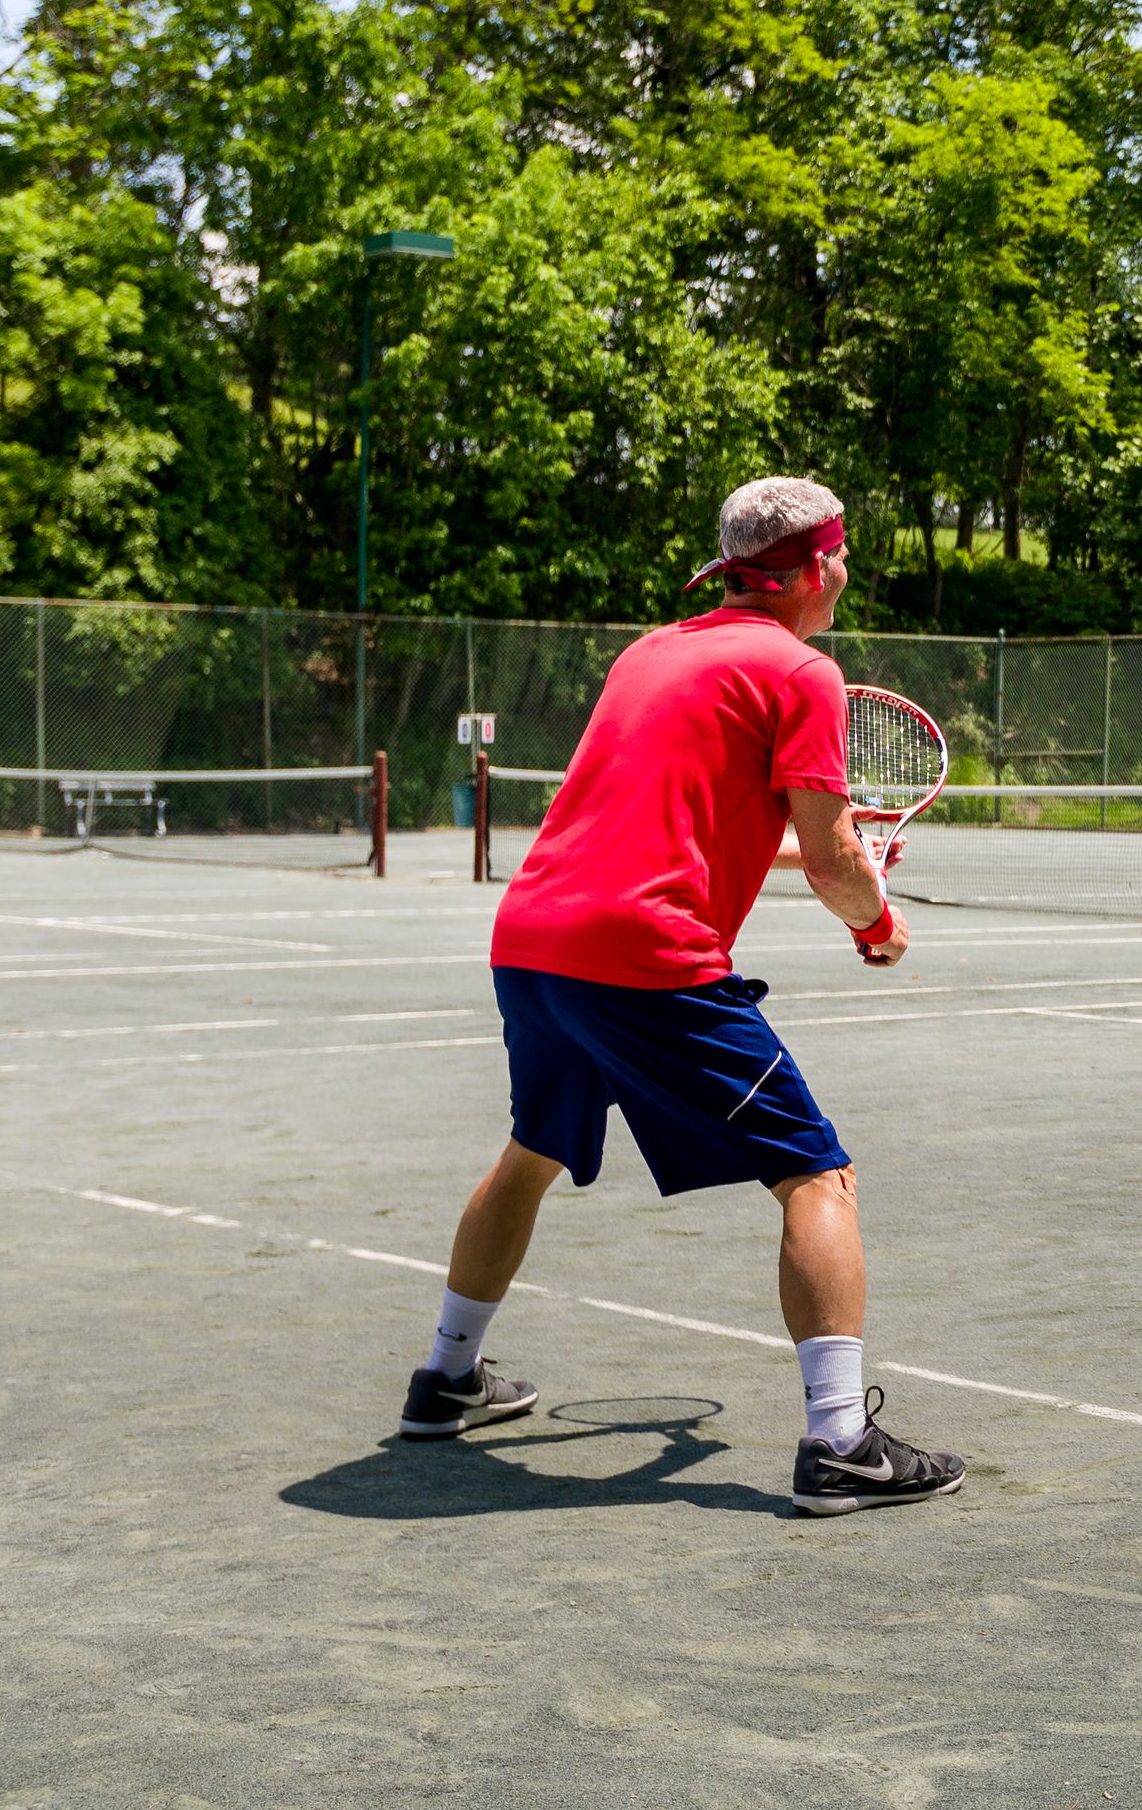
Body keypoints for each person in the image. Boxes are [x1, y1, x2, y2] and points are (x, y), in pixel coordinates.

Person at [395, 476, 967, 1517]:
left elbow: (702, 822)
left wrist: (838, 865)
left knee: (532, 1149)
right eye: (846, 558)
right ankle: (842, 1440)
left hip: (533, 936)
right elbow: (835, 856)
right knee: (817, 1177)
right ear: (821, 565)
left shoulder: (651, 652)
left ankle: (445, 1379)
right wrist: (874, 919)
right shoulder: (802, 672)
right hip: (644, 953)